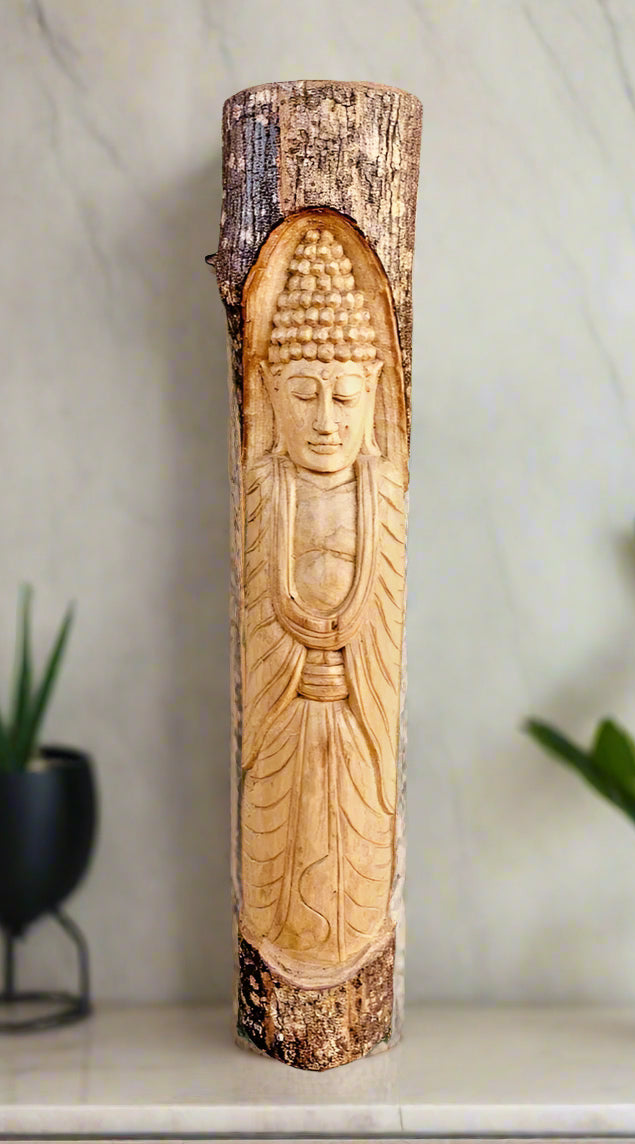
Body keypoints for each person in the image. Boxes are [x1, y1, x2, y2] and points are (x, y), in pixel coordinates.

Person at [239, 227, 406, 984]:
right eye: (304, 395)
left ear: (375, 391)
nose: (327, 422)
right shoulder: (263, 490)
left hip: (356, 719)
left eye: (345, 397)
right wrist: (295, 664)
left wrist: (348, 665)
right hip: (284, 720)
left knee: (359, 848)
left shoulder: (384, 495)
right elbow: (254, 621)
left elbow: (386, 627)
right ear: (270, 390)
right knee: (278, 850)